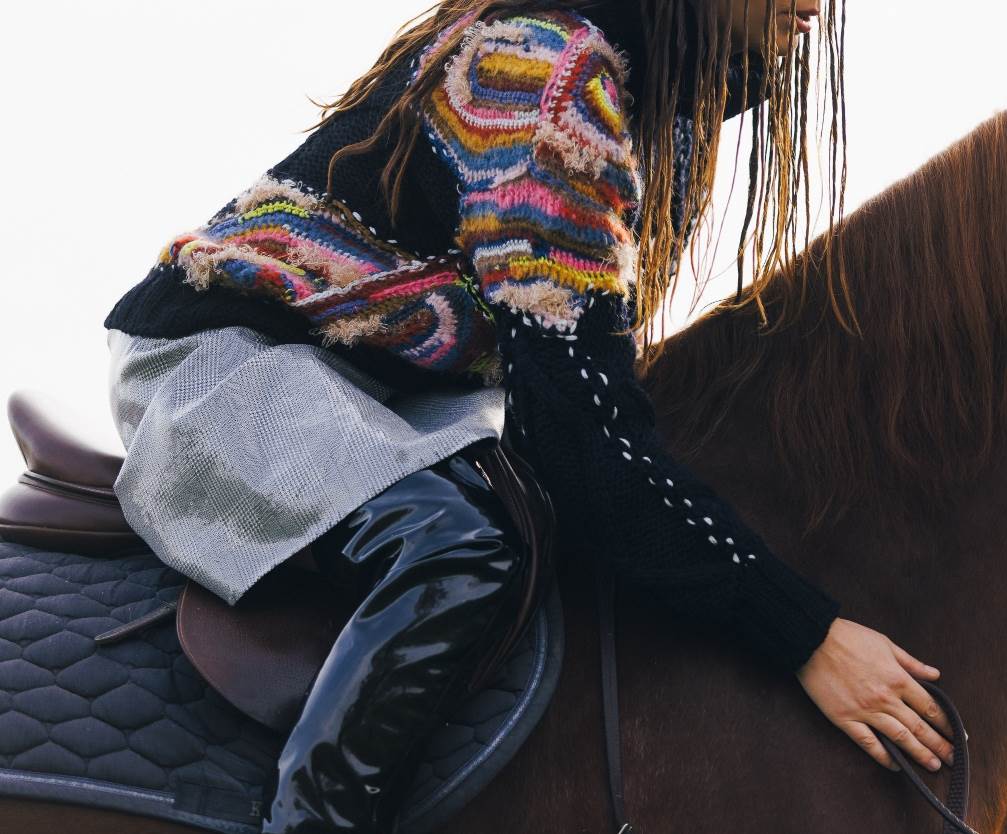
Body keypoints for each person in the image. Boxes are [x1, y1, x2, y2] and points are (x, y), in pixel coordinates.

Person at [101, 0, 957, 830]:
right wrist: (804, 634)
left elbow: (588, 402)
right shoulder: (549, 75)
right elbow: (581, 436)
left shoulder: (663, 108)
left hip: (394, 387)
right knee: (459, 543)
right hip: (231, 360)